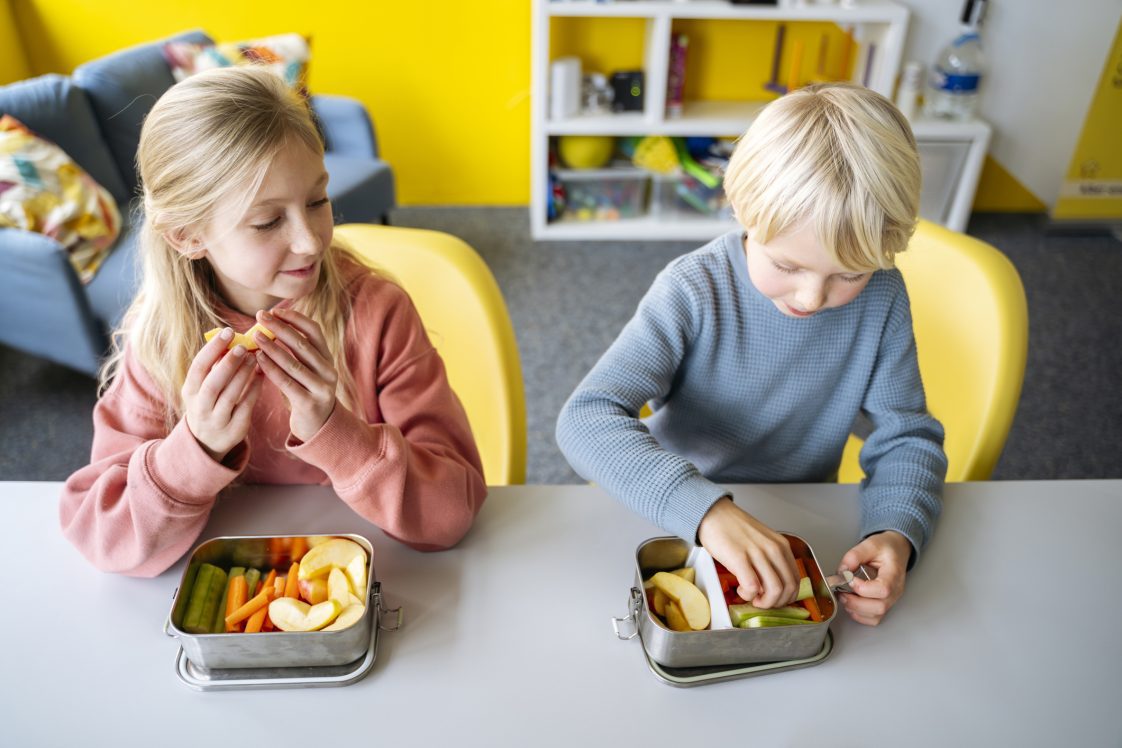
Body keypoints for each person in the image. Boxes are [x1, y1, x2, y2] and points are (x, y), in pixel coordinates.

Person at [60, 66, 486, 577]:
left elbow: (452, 512)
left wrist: (335, 431)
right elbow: (101, 536)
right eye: (267, 221)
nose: (310, 241)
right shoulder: (160, 341)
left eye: (318, 200)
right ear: (187, 236)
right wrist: (194, 449)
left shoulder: (377, 314)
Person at [556, 83, 947, 626]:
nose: (811, 298)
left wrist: (895, 532)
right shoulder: (693, 288)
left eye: (849, 273)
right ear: (741, 208)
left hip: (802, 520)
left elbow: (906, 436)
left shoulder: (883, 297)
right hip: (670, 517)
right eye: (787, 266)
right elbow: (585, 419)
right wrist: (706, 510)